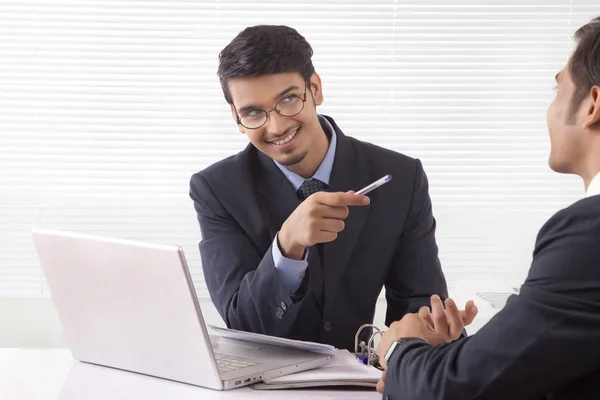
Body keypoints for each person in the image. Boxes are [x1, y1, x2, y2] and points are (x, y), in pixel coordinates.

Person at [189, 25, 475, 351]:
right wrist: (287, 246)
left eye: (288, 100)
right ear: (237, 118)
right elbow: (245, 327)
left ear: (315, 88)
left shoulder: (400, 177)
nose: (277, 126)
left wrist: (429, 334)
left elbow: (419, 304)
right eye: (253, 112)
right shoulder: (216, 189)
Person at [376, 16, 600, 400]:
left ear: (592, 104)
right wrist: (445, 358)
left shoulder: (588, 232)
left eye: (557, 88)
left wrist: (400, 348)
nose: (548, 111)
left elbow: (457, 389)